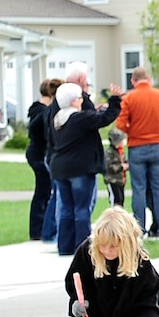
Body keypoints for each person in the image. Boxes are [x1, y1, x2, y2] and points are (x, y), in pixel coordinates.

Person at [48, 81, 124, 256]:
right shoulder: (79, 119)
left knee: (66, 208)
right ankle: (82, 248)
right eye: (79, 98)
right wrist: (114, 100)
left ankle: (65, 246)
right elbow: (104, 119)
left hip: (60, 168)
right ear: (73, 101)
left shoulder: (58, 119)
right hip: (80, 169)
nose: (82, 100)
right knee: (82, 209)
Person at [116, 65, 159, 240]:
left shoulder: (129, 98)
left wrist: (133, 131)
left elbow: (120, 124)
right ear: (149, 79)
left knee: (138, 188)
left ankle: (139, 230)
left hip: (137, 146)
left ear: (133, 81)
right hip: (158, 146)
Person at [25, 77, 60, 242]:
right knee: (42, 191)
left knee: (45, 192)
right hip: (38, 154)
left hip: (42, 154)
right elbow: (34, 129)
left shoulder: (43, 109)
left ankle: (41, 227)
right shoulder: (39, 110)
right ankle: (37, 230)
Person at [104, 128, 128, 211]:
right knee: (115, 201)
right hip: (112, 181)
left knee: (121, 200)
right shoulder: (109, 152)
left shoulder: (121, 152)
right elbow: (108, 166)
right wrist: (121, 167)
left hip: (120, 180)